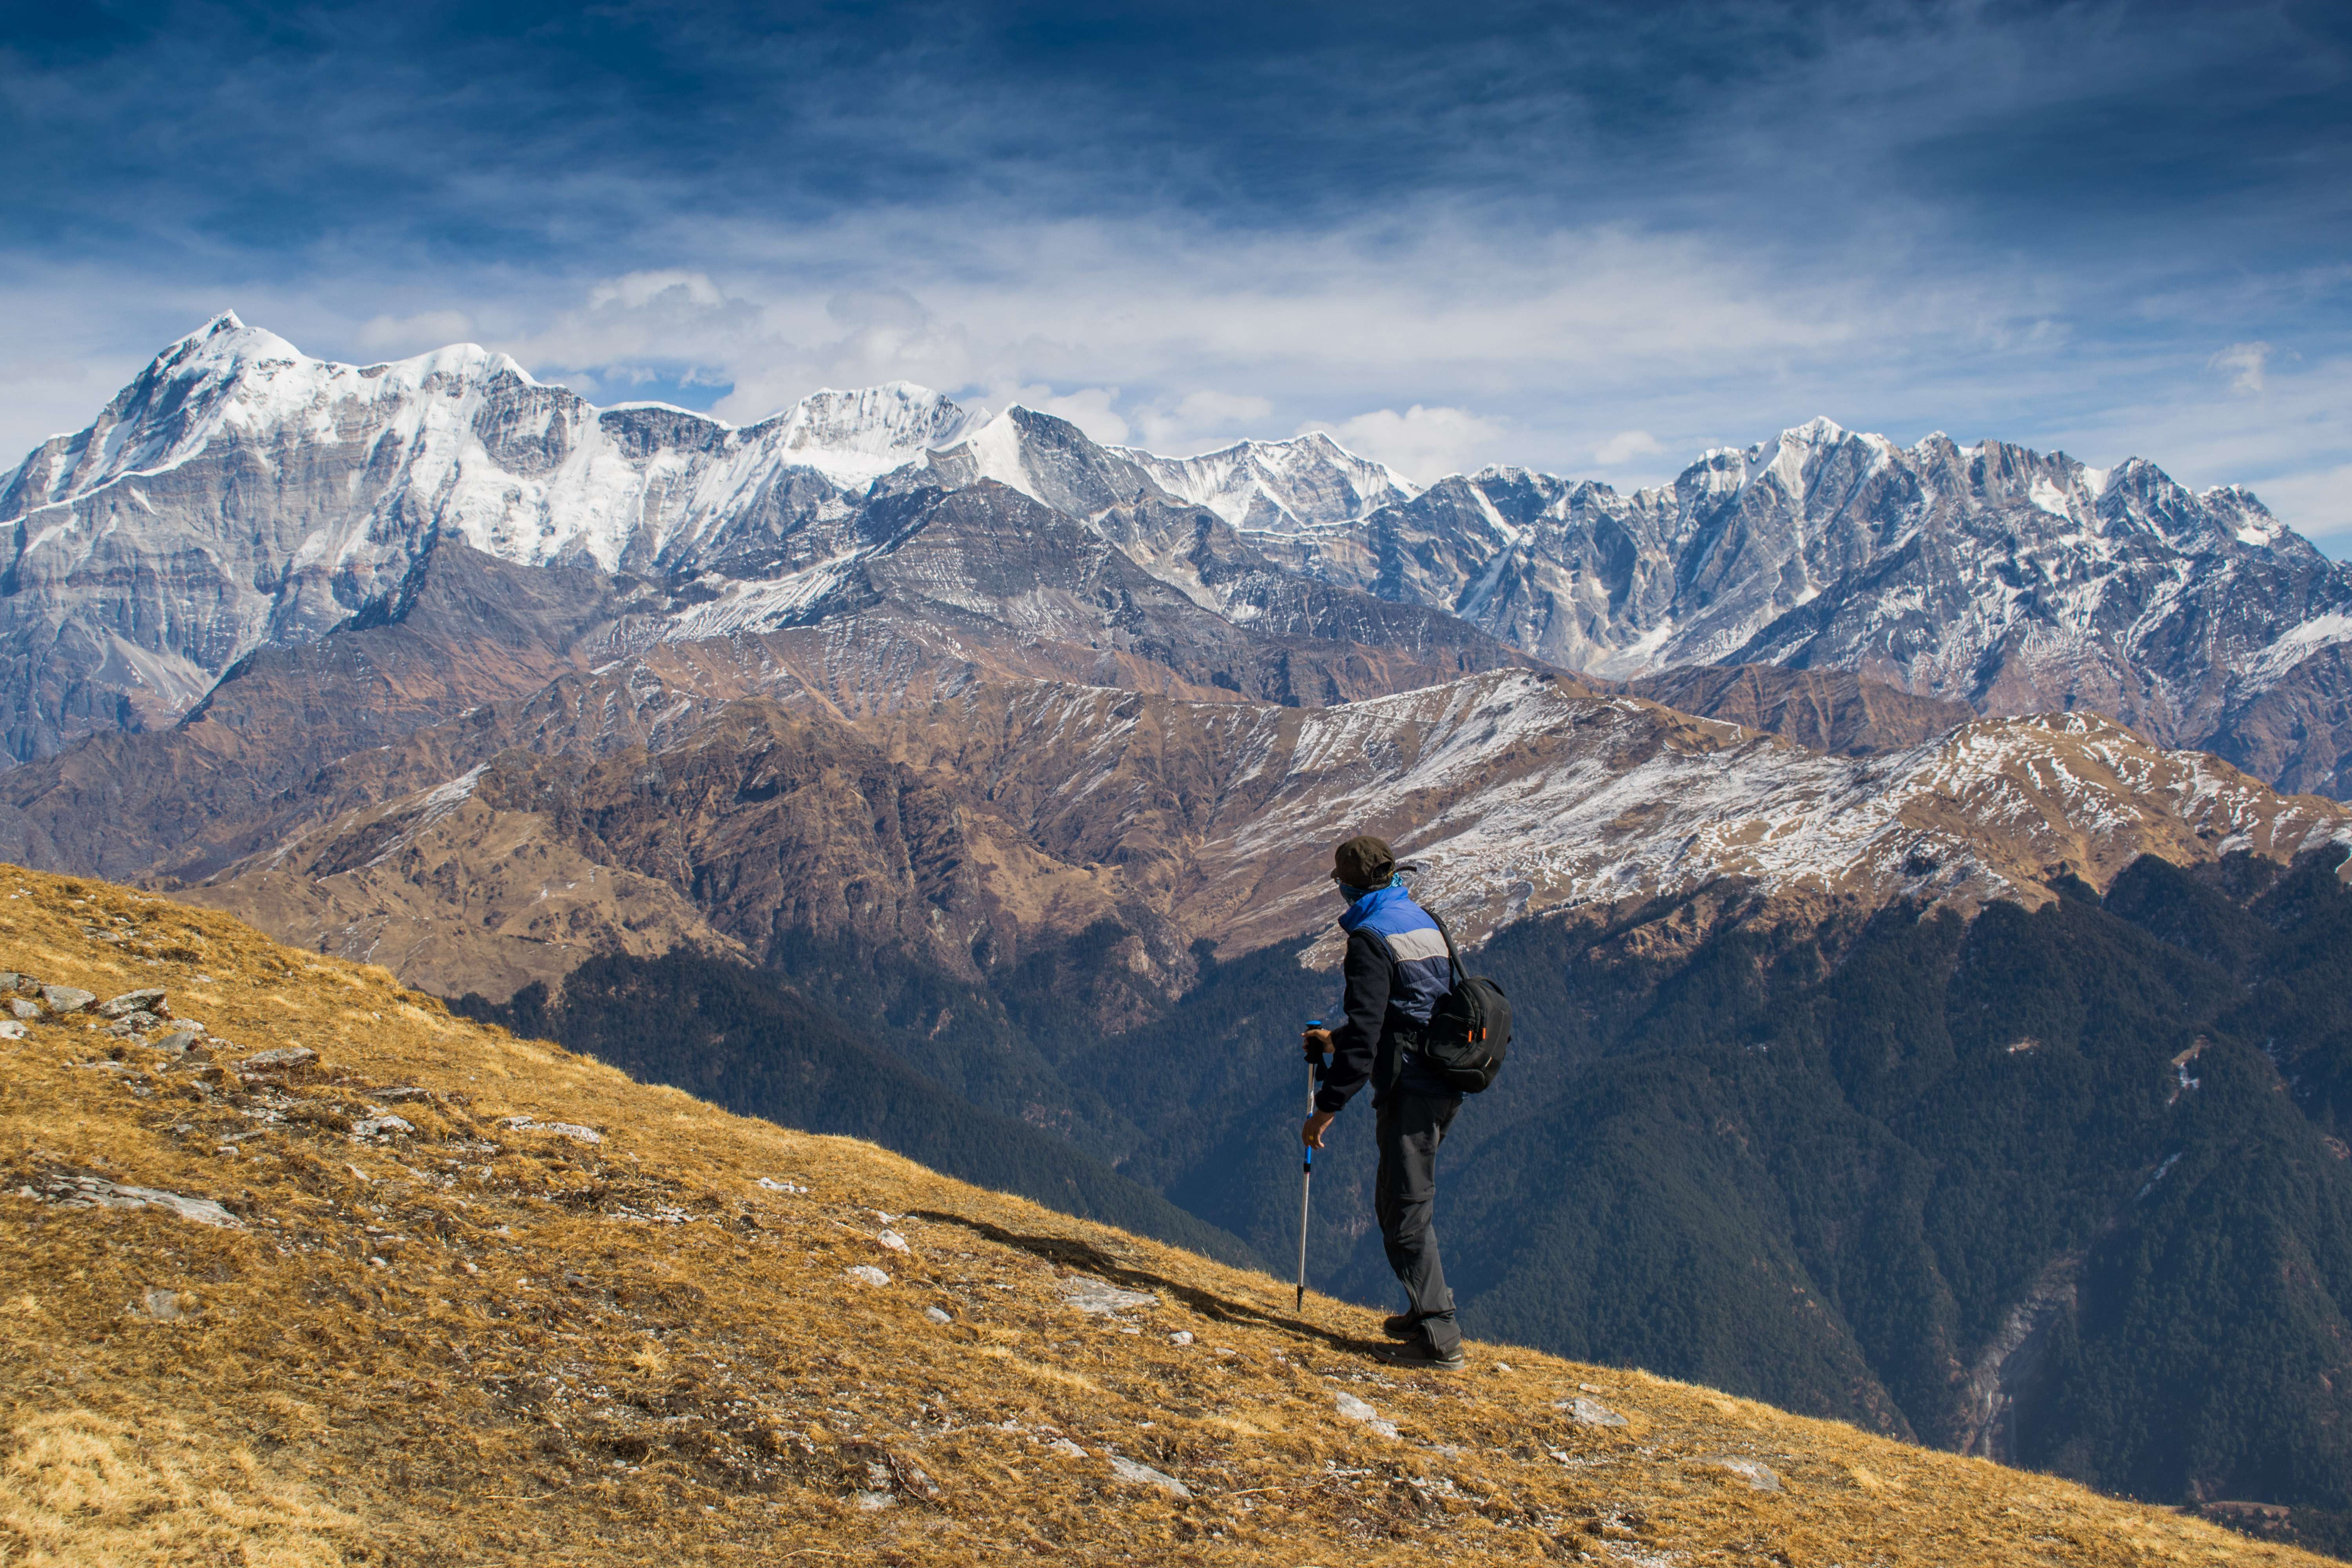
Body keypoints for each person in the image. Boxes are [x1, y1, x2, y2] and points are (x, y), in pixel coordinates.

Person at [1301, 833, 1468, 1370]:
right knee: (1396, 1200)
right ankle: (1423, 1313)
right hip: (1444, 1075)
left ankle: (1439, 1340)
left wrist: (1325, 1108)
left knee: (1406, 1208)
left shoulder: (1371, 938)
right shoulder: (1423, 919)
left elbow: (1373, 1031)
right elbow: (1413, 1009)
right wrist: (1337, 1040)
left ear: (1348, 886)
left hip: (1412, 1086)